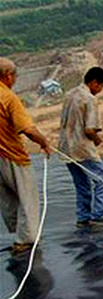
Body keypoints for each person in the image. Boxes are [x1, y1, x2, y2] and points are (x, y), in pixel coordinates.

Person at [0, 57, 51, 254]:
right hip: (13, 155)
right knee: (27, 196)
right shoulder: (9, 97)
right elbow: (27, 128)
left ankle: (18, 231)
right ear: (9, 76)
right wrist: (44, 142)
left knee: (8, 197)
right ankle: (26, 239)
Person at [59, 67, 103, 227]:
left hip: (67, 148)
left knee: (82, 185)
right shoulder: (89, 98)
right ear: (94, 83)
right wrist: (97, 139)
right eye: (101, 86)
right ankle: (98, 216)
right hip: (82, 148)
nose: (101, 90)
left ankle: (83, 217)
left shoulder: (70, 95)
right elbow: (89, 129)